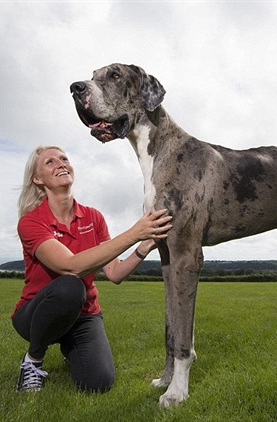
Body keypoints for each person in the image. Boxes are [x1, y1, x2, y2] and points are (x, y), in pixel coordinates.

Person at [11, 145, 172, 393]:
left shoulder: (93, 218)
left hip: (83, 315)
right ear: (37, 178)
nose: (61, 164)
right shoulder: (31, 222)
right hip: (35, 315)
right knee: (70, 286)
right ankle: (33, 360)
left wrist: (144, 245)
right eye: (50, 162)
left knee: (98, 383)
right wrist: (135, 232)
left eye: (64, 158)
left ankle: (71, 348)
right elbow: (69, 266)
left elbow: (114, 273)